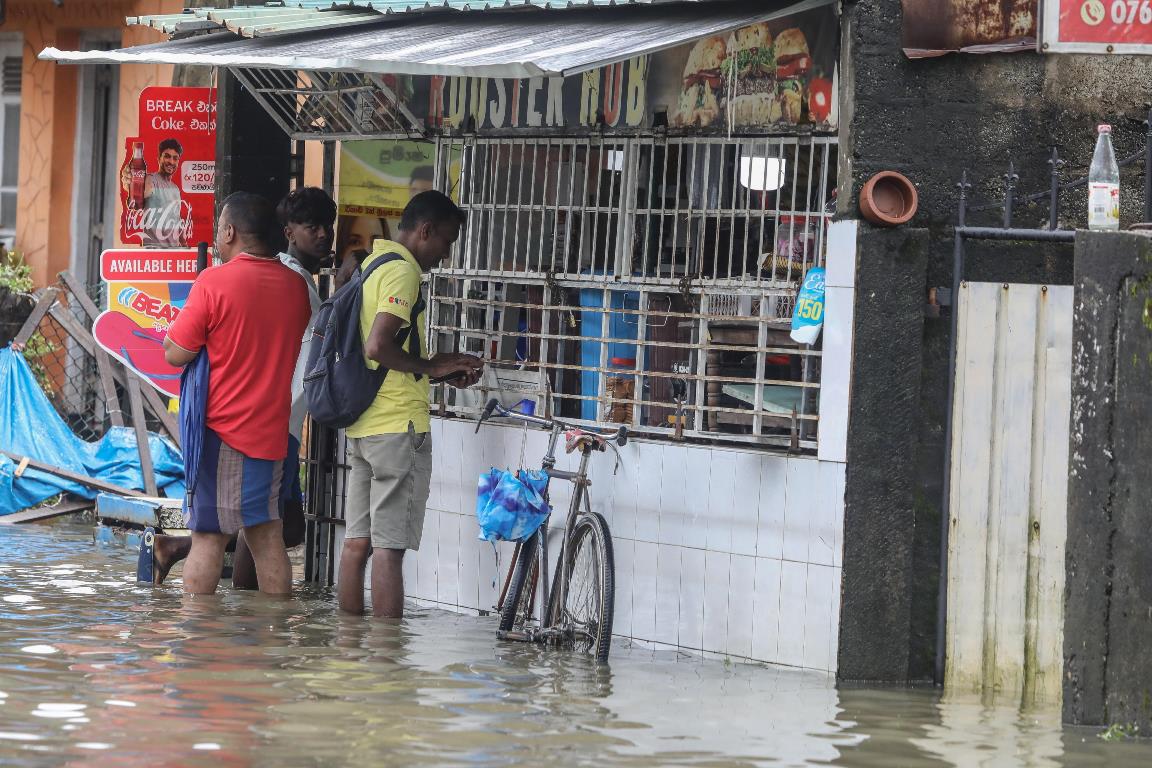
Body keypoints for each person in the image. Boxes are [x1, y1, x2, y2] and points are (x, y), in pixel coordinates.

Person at [149, 187, 336, 589]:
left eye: (218, 230)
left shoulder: (213, 281)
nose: (216, 240)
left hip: (222, 433)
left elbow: (175, 353)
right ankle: (272, 639)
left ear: (230, 231)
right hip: (273, 434)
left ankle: (199, 639)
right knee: (268, 538)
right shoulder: (296, 289)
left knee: (208, 539)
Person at [338, 191, 484, 618]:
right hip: (398, 427)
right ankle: (386, 665)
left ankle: (347, 648)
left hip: (363, 423)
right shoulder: (403, 272)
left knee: (356, 543)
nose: (446, 253)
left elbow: (380, 347)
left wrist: (433, 364)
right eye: (446, 241)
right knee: (388, 549)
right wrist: (431, 369)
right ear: (425, 231)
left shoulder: (372, 263)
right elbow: (379, 345)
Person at [120, 138, 188, 247]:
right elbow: (139, 196)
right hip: (154, 253)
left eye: (175, 158)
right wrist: (129, 185)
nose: (171, 161)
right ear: (159, 158)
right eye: (167, 156)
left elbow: (177, 220)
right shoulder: (151, 180)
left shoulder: (175, 188)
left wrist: (184, 245)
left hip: (174, 253)